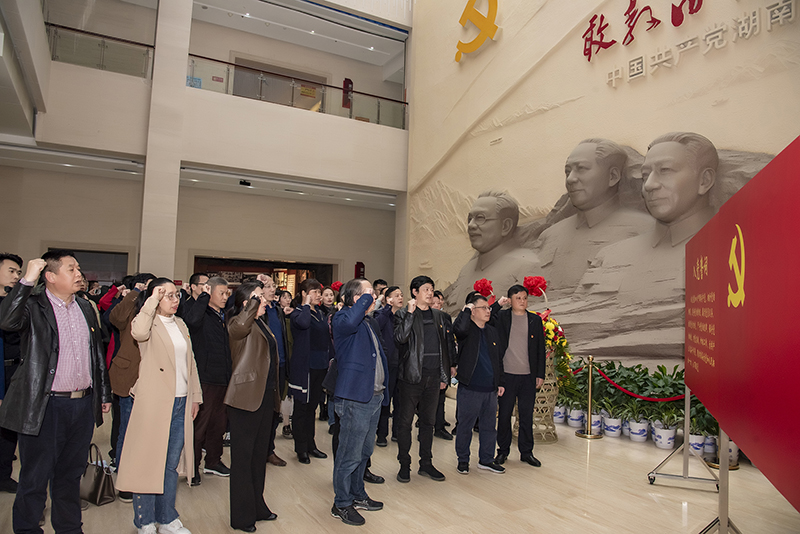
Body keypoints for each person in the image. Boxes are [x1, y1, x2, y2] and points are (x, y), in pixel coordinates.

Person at [562, 132, 719, 359]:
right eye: (645, 175)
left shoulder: (731, 254)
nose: (650, 185)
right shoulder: (610, 256)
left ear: (704, 181)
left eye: (665, 170)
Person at [0, 251, 112, 533]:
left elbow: (96, 354)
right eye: (71, 269)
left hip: (82, 405)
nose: (79, 274)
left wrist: (103, 393)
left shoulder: (85, 307)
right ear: (50, 276)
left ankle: (70, 529)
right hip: (45, 405)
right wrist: (26, 280)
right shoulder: (33, 305)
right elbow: (7, 321)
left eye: (78, 268)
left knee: (70, 477)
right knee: (35, 479)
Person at [116, 278, 202, 534]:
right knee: (148, 462)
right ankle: (145, 521)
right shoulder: (147, 321)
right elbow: (139, 333)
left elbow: (191, 361)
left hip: (181, 400)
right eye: (168, 295)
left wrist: (195, 395)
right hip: (155, 402)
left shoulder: (181, 323)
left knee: (170, 464)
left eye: (176, 295)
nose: (175, 300)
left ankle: (167, 518)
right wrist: (151, 300)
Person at [532, 139, 653, 299]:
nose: (570, 179)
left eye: (581, 169)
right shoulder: (549, 236)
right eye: (568, 172)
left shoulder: (645, 230)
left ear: (613, 176)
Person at [330, 278, 388, 526]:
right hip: (355, 398)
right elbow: (349, 320)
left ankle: (357, 494)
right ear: (356, 299)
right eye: (368, 293)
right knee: (349, 454)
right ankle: (341, 503)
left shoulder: (367, 322)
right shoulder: (342, 318)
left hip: (373, 396)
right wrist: (364, 298)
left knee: (364, 452)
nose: (373, 297)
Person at [225, 281, 280, 532]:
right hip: (245, 399)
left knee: (258, 457)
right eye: (259, 297)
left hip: (264, 397)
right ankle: (241, 516)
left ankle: (258, 505)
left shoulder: (260, 323)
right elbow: (239, 329)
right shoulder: (237, 322)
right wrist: (253, 303)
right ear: (247, 303)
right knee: (243, 459)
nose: (265, 300)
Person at [393, 275, 454, 483]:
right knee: (405, 423)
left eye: (431, 289)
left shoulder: (439, 316)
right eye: (425, 289)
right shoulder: (403, 313)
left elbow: (445, 347)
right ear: (415, 292)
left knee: (428, 422)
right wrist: (410, 314)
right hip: (411, 377)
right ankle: (404, 464)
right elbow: (400, 338)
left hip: (434, 377)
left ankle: (426, 464)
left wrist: (444, 375)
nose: (430, 293)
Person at [442, 190, 541, 313]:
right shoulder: (466, 270)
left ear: (505, 226)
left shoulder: (527, 266)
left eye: (480, 218)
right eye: (470, 219)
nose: (471, 225)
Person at [108, 272, 154, 502]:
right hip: (129, 377)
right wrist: (134, 293)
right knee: (127, 428)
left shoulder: (162, 311)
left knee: (148, 431)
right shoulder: (132, 308)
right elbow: (114, 318)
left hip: (153, 378)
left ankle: (143, 473)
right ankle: (124, 479)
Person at [183, 276, 232, 484]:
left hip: (223, 377)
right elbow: (191, 321)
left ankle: (213, 461)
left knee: (218, 424)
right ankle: (192, 467)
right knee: (200, 425)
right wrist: (203, 296)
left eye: (227, 293)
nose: (225, 297)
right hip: (205, 377)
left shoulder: (223, 315)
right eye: (221, 293)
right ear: (209, 292)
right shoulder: (200, 312)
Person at [490, 284, 546, 467]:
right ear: (510, 300)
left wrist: (540, 374)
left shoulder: (535, 320)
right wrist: (498, 304)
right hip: (507, 376)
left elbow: (540, 349)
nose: (522, 301)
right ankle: (502, 451)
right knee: (504, 415)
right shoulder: (502, 317)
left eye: (524, 298)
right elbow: (487, 316)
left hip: (528, 377)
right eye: (518, 298)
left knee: (526, 416)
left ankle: (526, 452)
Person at [288, 278, 328, 464]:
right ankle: (301, 448)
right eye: (314, 292)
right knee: (301, 408)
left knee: (312, 408)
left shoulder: (320, 313)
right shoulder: (298, 313)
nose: (318, 295)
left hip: (320, 365)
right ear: (304, 294)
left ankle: (311, 444)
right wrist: (305, 304)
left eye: (319, 292)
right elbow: (304, 324)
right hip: (305, 367)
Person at [255, 274, 287, 468]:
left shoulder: (277, 310)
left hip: (280, 365)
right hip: (263, 368)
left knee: (275, 412)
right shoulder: (257, 311)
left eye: (274, 285)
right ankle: (259, 451)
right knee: (261, 413)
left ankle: (269, 450)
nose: (272, 289)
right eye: (267, 286)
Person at [0, 252, 23, 494]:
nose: (16, 276)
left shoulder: (17, 302)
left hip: (15, 370)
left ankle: (3, 475)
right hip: (1, 368)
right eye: (11, 271)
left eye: (18, 272)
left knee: (9, 428)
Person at [374, 285, 403, 447]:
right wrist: (387, 308)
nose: (400, 298)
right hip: (387, 363)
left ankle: (397, 432)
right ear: (388, 299)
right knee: (386, 399)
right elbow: (377, 326)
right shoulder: (381, 314)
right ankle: (381, 433)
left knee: (400, 401)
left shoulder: (404, 315)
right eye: (396, 295)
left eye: (401, 295)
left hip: (402, 364)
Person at [431, 289, 454, 440]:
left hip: (443, 363)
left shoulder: (445, 318)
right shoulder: (422, 317)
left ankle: (439, 426)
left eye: (438, 303)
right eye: (433, 303)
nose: (437, 305)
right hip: (427, 365)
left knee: (441, 397)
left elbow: (450, 342)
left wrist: (452, 363)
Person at [276, 290, 294, 439]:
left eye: (289, 297)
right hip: (279, 358)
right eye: (284, 297)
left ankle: (287, 423)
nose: (287, 300)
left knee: (288, 392)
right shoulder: (275, 314)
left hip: (290, 357)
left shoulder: (293, 315)